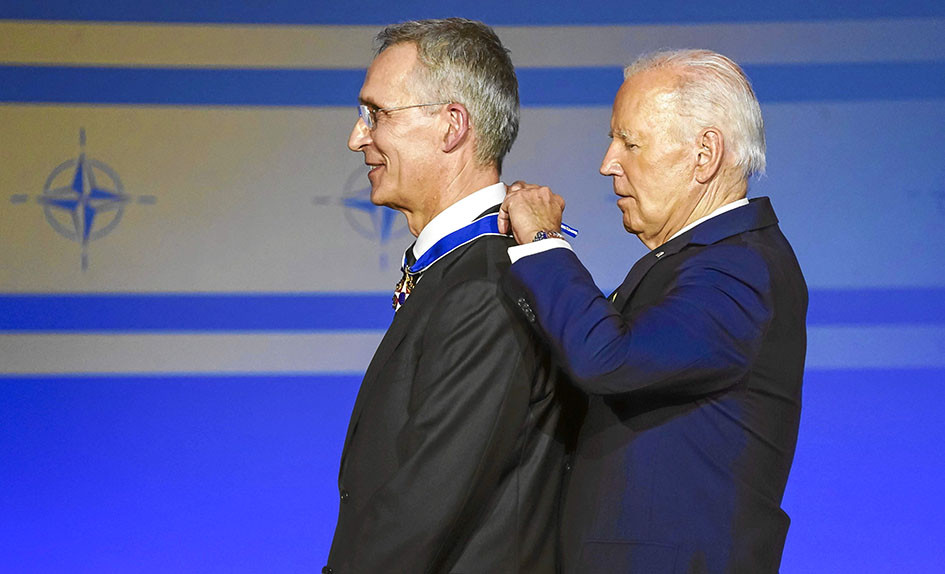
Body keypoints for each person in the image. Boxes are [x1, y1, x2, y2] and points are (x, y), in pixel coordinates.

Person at [498, 49, 807, 573]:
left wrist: (544, 243)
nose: (607, 163)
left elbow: (608, 358)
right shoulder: (702, 261)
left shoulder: (739, 267)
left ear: (705, 154)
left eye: (630, 143)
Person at [324, 19, 577, 574]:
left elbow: (416, 518)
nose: (357, 137)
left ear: (452, 125)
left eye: (377, 114)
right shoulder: (462, 273)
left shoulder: (486, 289)